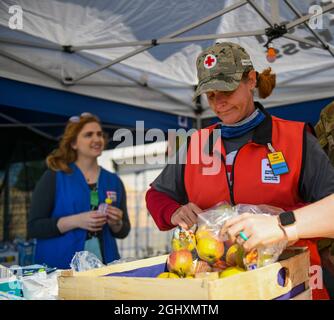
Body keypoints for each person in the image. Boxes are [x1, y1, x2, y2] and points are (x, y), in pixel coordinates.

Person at [146, 42, 334, 299]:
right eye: (210, 95)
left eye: (226, 90)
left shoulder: (296, 137)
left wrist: (282, 223)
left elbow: (329, 207)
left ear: (251, 80)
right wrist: (174, 211)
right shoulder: (197, 143)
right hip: (217, 279)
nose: (219, 103)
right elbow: (156, 195)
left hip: (289, 282)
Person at [28, 113, 130, 269]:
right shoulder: (54, 177)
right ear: (74, 143)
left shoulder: (113, 181)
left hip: (105, 264)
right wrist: (76, 221)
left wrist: (116, 222)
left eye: (99, 134)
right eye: (89, 135)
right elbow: (34, 227)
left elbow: (123, 231)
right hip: (59, 267)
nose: (97, 139)